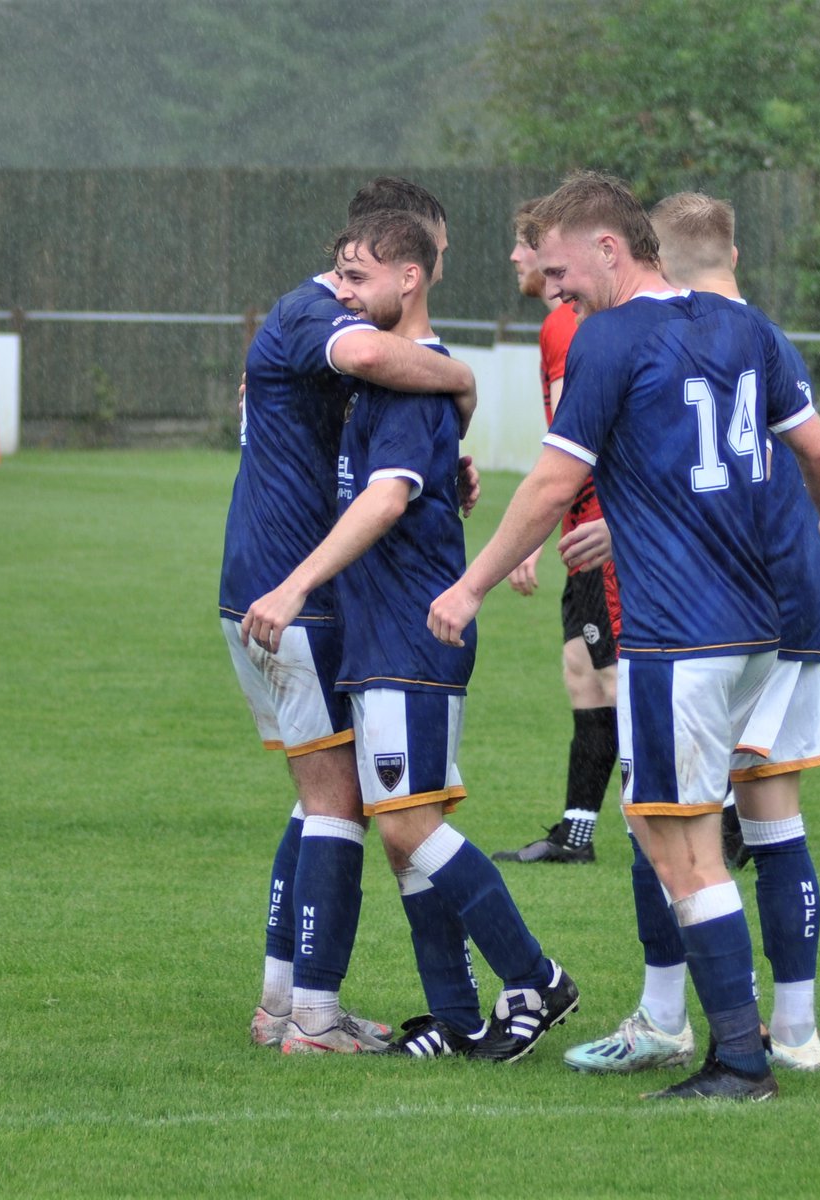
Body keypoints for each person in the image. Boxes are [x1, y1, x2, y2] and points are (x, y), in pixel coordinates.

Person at [429, 170, 820, 1102]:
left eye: (555, 270)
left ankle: (737, 1058)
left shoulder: (609, 338)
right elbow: (808, 452)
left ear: (608, 249)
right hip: (757, 629)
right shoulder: (746, 329)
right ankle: (754, 1033)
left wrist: (470, 584)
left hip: (677, 636)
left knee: (679, 845)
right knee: (688, 825)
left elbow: (549, 484)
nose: (551, 289)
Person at [240, 208, 579, 1063]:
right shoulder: (392, 386)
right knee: (405, 834)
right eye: (340, 277)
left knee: (406, 829)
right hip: (380, 636)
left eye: (357, 278)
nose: (342, 294)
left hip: (411, 636)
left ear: (410, 277)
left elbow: (387, 498)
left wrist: (293, 584)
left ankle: (535, 978)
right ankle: (460, 1021)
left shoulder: (411, 381)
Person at [562, 191, 820, 1076]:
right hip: (787, 610)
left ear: (658, 262)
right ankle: (794, 1034)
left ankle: (668, 1017)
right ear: (736, 246)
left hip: (697, 616)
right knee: (773, 825)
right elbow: (798, 460)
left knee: (664, 816)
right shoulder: (762, 334)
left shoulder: (678, 334)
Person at [222, 177, 478, 1054]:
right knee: (341, 806)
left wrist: (443, 468)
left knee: (314, 800)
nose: (432, 275)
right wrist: (464, 381)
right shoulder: (319, 310)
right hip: (292, 591)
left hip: (267, 585)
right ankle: (316, 1020)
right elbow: (371, 361)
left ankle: (279, 1002)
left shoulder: (308, 316)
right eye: (429, 259)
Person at [493, 200, 621, 864]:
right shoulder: (560, 326)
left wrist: (542, 532)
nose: (516, 259)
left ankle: (705, 818)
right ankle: (578, 830)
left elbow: (585, 443)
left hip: (604, 536)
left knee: (623, 678)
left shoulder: (570, 329)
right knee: (584, 674)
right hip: (579, 531)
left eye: (523, 246)